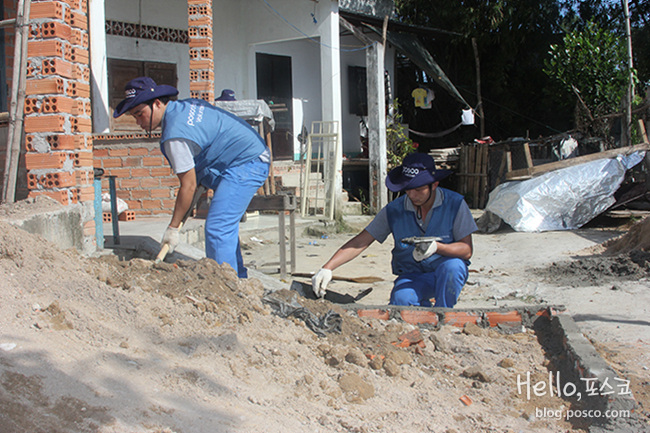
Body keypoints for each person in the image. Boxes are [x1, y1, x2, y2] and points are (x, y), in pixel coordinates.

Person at [113, 77, 270, 278]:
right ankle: (239, 280)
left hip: (246, 162)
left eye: (139, 114)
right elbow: (196, 180)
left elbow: (188, 186)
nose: (138, 122)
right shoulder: (183, 107)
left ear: (157, 103)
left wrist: (172, 228)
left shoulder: (175, 135)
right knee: (223, 227)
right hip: (243, 157)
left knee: (217, 228)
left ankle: (225, 288)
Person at [312, 152, 477, 307]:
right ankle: (422, 316)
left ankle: (444, 314)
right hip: (413, 275)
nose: (412, 195)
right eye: (408, 189)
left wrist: (437, 248)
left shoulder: (455, 204)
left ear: (434, 185)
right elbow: (361, 241)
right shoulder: (394, 210)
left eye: (419, 189)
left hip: (444, 273)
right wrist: (328, 267)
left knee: (453, 267)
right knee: (401, 301)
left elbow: (466, 250)